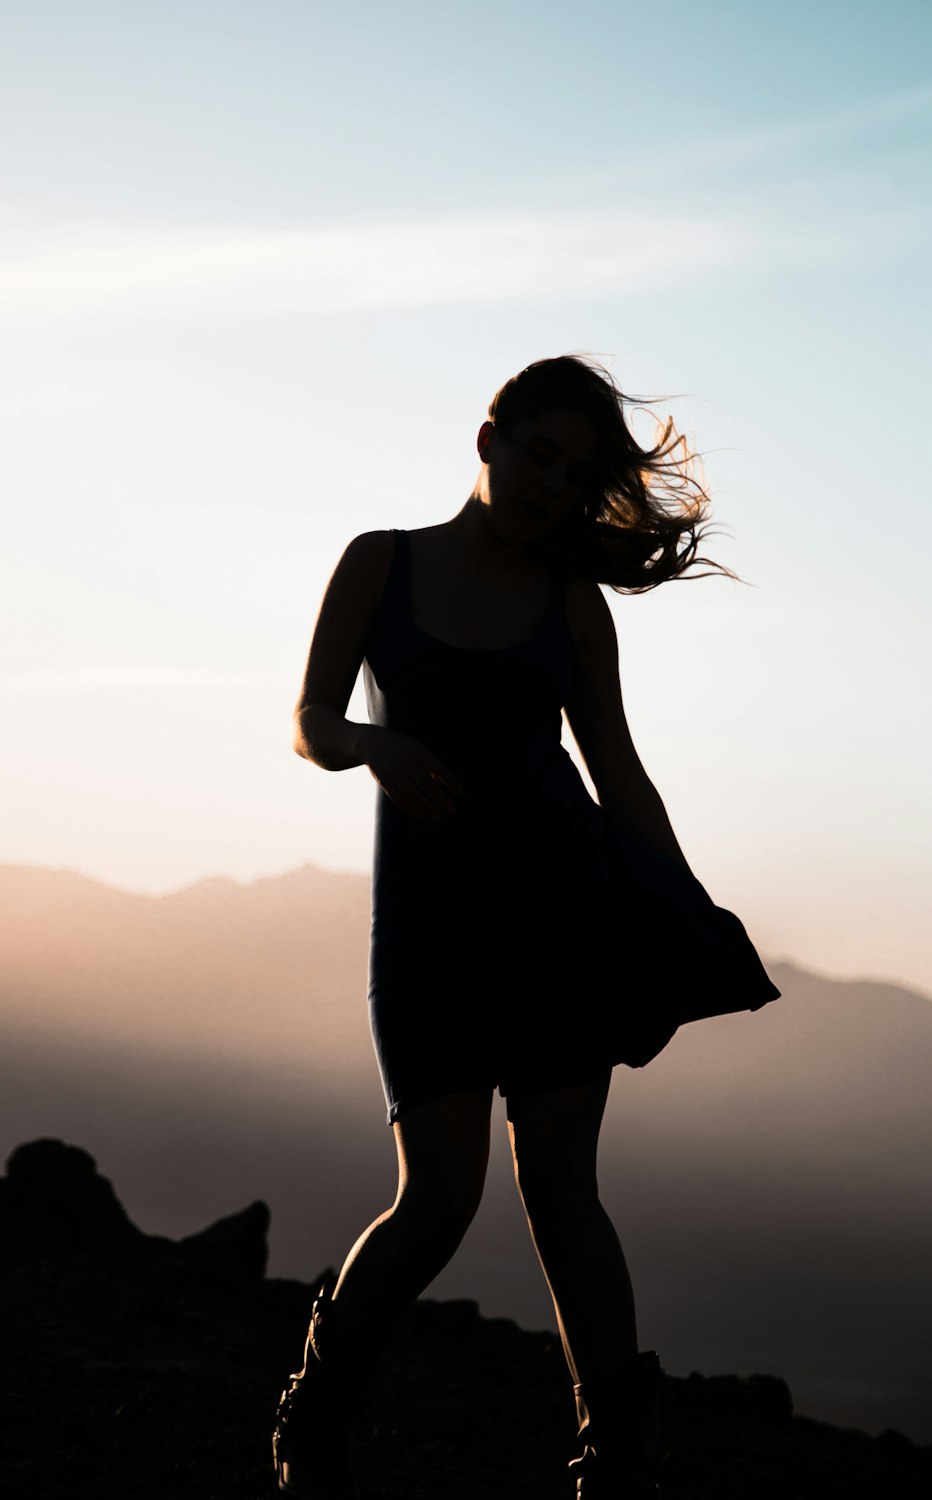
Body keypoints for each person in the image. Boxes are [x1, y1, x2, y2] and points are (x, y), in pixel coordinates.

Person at [273, 355, 780, 1499]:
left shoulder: (570, 605)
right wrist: (371, 744)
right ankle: (315, 1414)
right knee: (437, 1197)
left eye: (575, 472)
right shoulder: (380, 563)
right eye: (538, 454)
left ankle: (617, 1457)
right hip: (425, 927)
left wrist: (682, 904)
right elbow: (308, 718)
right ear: (487, 436)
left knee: (561, 1187)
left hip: (559, 919)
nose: (552, 484)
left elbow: (618, 775)